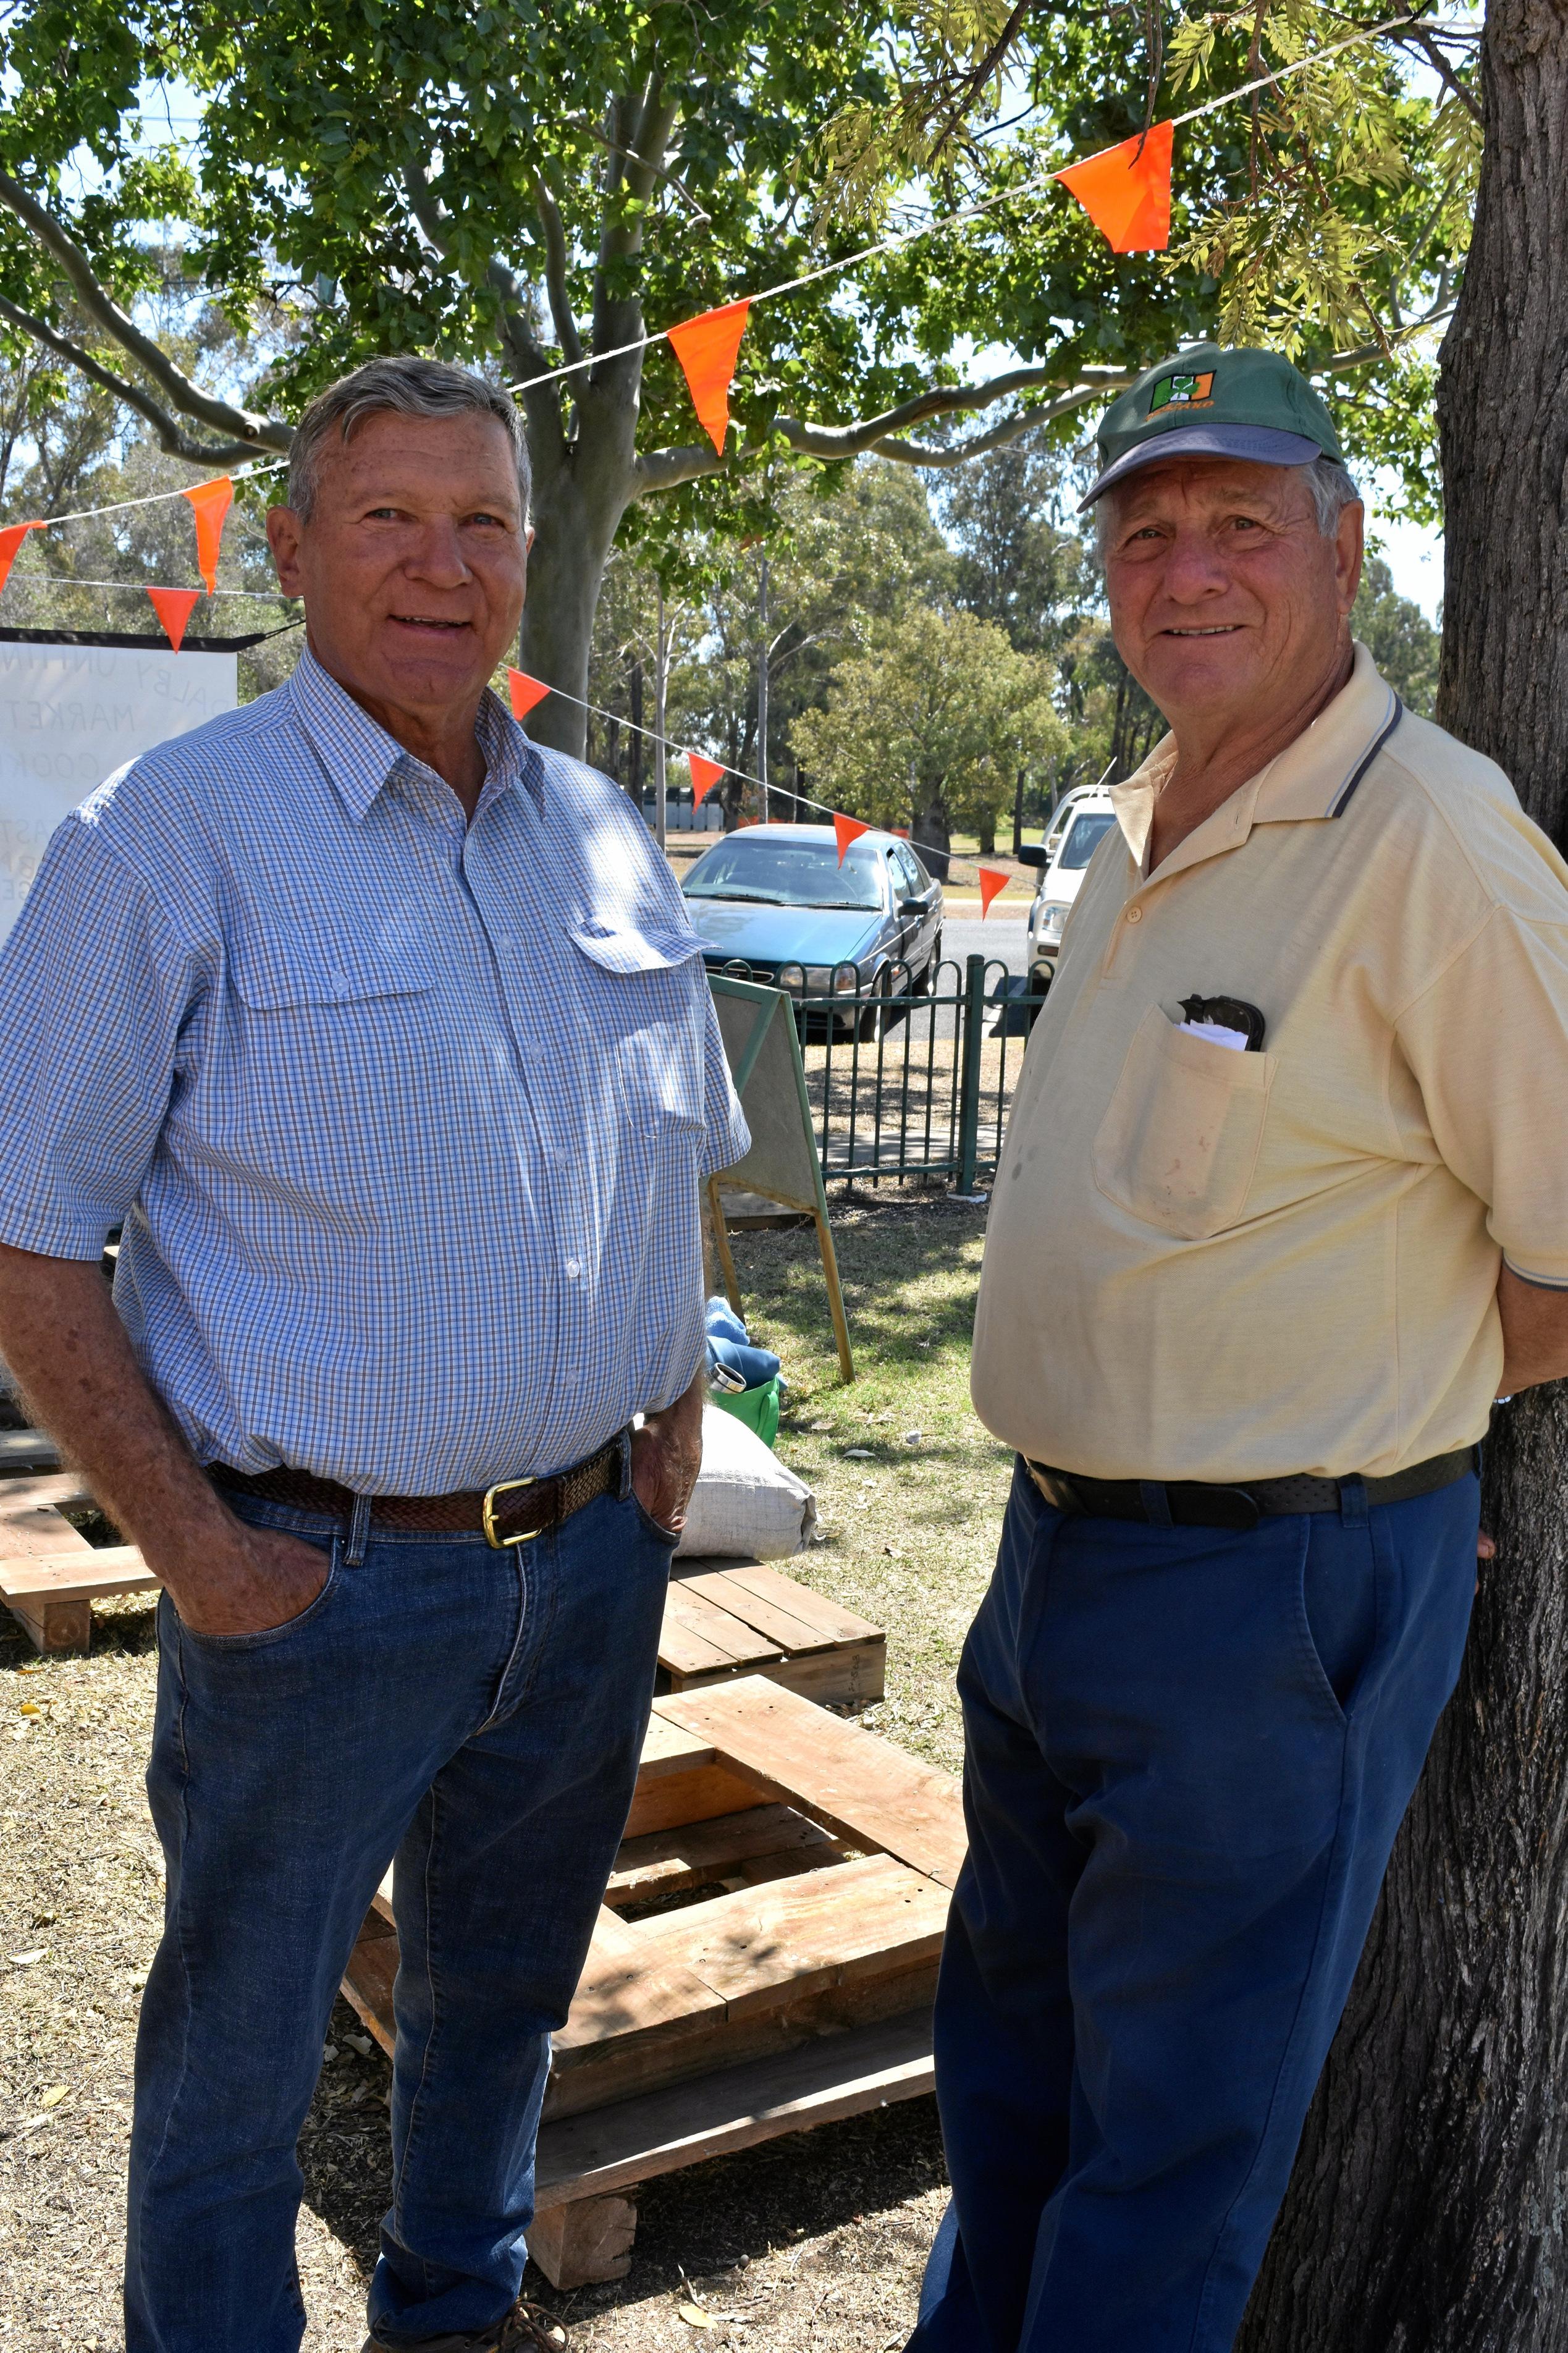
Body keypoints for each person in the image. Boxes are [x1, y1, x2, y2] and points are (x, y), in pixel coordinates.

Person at [0, 356, 747, 2353]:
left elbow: (678, 1150)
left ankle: (452, 2313)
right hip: (311, 1584)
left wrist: (667, 1426)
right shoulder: (166, 836)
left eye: (483, 520)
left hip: (587, 1567)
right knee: (238, 2068)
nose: (445, 563)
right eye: (393, 517)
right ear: (298, 546)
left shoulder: (597, 830)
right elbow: (25, 1236)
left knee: (502, 2010)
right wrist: (200, 1558)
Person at [909, 340, 1568, 2351]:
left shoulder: (1435, 844)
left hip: (1268, 1601)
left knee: (1167, 2172)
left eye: (1237, 524)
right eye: (1144, 531)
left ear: (1346, 548)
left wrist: (1384, 1444)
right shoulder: (1127, 820)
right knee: (1008, 2106)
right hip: (1045, 1568)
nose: (1184, 570)